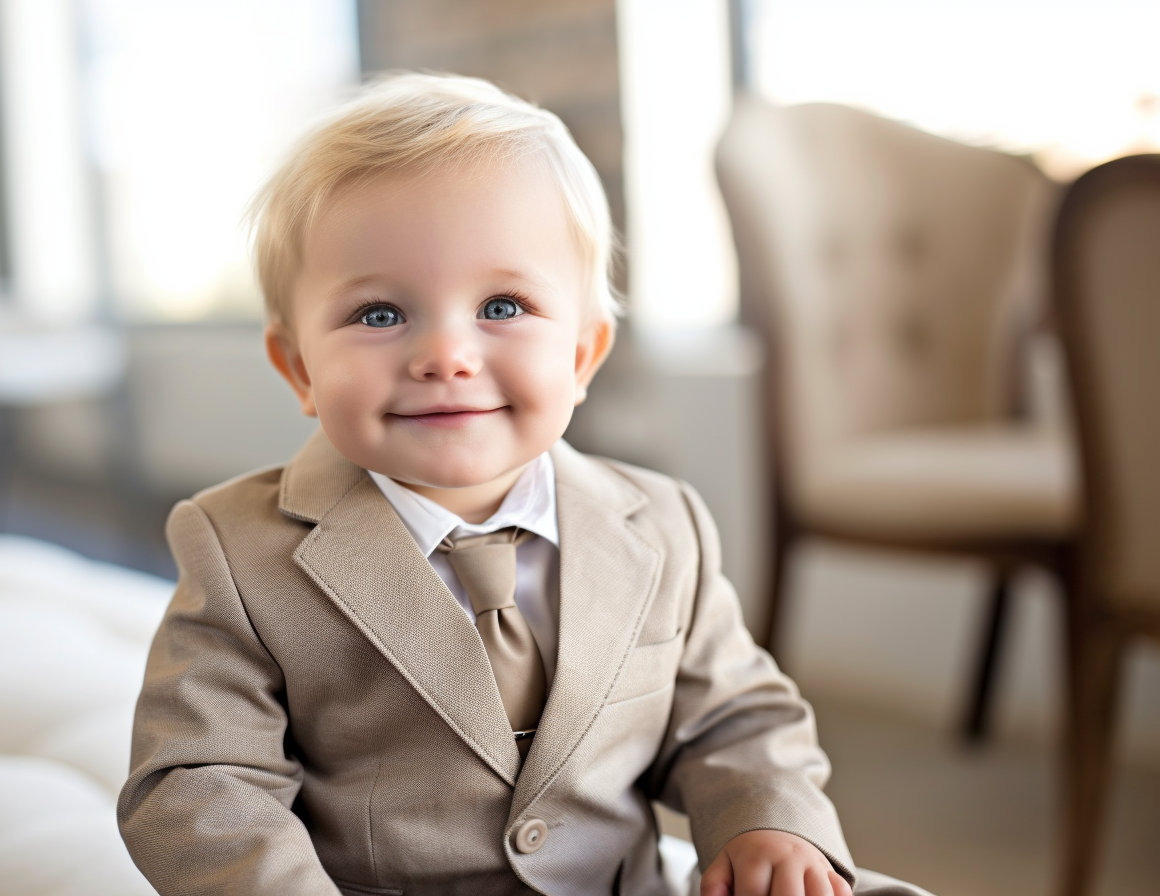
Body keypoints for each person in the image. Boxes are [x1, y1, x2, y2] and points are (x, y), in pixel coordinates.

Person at [118, 72, 929, 896]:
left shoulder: (662, 524)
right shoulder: (239, 552)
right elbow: (200, 783)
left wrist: (767, 823)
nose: (447, 355)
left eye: (502, 306)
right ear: (299, 368)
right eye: (380, 314)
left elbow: (734, 717)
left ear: (581, 356)